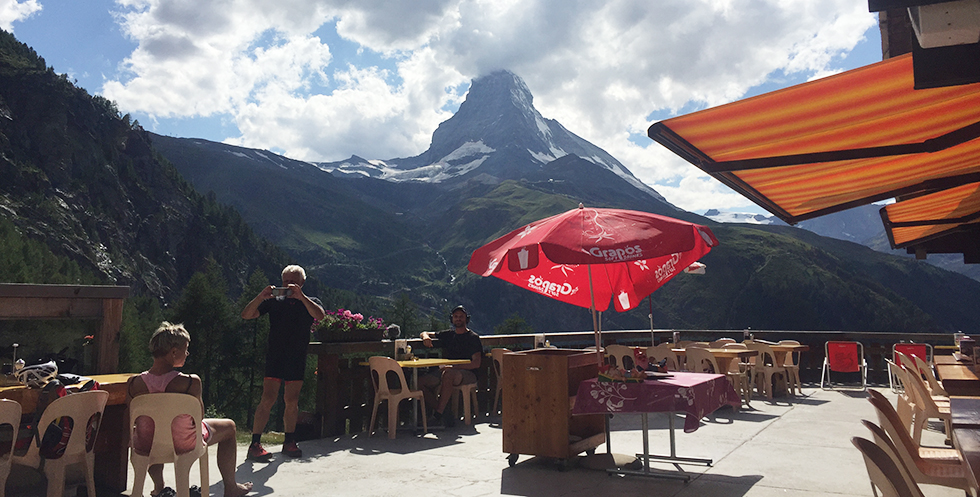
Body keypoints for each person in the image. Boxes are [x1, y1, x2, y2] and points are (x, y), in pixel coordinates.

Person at [126, 322, 253, 497]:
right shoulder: (190, 382)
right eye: (185, 349)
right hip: (184, 444)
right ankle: (231, 487)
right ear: (173, 352)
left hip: (147, 445)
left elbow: (130, 417)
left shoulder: (134, 384)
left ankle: (159, 487)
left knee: (153, 429)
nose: (187, 354)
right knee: (229, 427)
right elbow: (198, 416)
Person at [241, 265, 325, 460]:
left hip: (296, 356)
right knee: (267, 399)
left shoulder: (310, 302)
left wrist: (301, 297)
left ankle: (289, 441)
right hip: (275, 356)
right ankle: (255, 443)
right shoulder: (274, 302)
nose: (288, 285)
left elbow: (319, 316)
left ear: (302, 283)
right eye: (285, 281)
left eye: (293, 281)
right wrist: (260, 297)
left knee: (292, 401)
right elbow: (246, 315)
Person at [418, 305, 483, 427]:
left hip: (468, 373)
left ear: (466, 319)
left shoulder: (472, 338)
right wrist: (425, 337)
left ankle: (437, 416)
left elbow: (476, 363)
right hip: (448, 370)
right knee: (420, 382)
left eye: (461, 317)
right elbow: (425, 332)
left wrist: (454, 367)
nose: (458, 319)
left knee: (448, 374)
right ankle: (444, 412)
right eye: (456, 317)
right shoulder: (448, 334)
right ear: (452, 319)